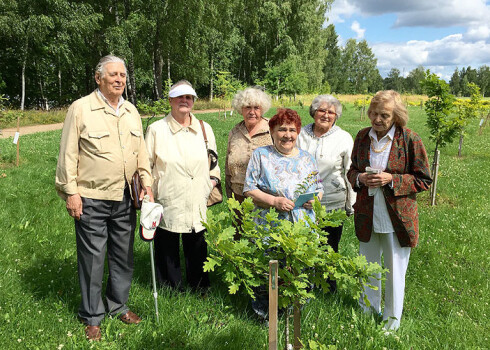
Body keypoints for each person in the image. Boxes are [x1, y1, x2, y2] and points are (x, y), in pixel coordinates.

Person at [55, 55, 153, 341]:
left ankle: (118, 305)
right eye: (113, 75)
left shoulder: (131, 110)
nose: (119, 79)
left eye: (123, 75)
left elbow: (141, 152)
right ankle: (92, 315)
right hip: (91, 197)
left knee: (123, 256)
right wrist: (70, 192)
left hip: (126, 196)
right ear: (98, 78)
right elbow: (68, 153)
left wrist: (146, 183)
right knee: (93, 258)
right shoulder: (81, 108)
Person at [347, 90, 432, 331]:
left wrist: (391, 179)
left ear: (396, 115)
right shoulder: (363, 137)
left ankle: (391, 323)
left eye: (384, 115)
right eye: (373, 113)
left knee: (395, 271)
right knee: (368, 266)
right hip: (367, 213)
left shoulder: (409, 139)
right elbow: (351, 170)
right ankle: (367, 312)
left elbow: (424, 179)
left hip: (397, 217)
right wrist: (361, 177)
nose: (377, 119)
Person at [243, 108, 323, 319]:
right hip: (269, 226)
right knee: (268, 270)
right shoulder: (261, 155)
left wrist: (315, 199)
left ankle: (294, 314)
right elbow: (249, 189)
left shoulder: (307, 158)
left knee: (299, 271)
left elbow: (319, 188)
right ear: (272, 131)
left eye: (292, 129)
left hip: (302, 227)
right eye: (282, 130)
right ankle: (264, 314)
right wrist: (274, 201)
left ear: (298, 132)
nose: (287, 135)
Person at [145, 80, 221, 291]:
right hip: (168, 196)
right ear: (170, 100)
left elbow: (213, 161)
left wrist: (211, 182)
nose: (184, 101)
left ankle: (200, 287)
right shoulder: (156, 130)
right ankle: (170, 287)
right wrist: (149, 191)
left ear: (193, 102)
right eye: (179, 97)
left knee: (197, 241)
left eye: (188, 97)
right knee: (167, 241)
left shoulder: (205, 129)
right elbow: (146, 165)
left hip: (197, 196)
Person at [297, 95, 356, 291]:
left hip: (332, 202)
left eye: (331, 112)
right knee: (303, 246)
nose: (326, 115)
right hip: (302, 202)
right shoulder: (300, 134)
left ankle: (328, 289)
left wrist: (351, 204)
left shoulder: (343, 138)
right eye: (322, 110)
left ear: (336, 116)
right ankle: (303, 286)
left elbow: (350, 171)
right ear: (314, 112)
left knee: (329, 246)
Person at [226, 87, 272, 204]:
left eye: (256, 107)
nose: (252, 112)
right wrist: (230, 196)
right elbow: (228, 168)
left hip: (266, 197)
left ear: (262, 109)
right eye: (248, 107)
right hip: (238, 197)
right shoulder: (235, 132)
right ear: (241, 109)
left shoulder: (272, 129)